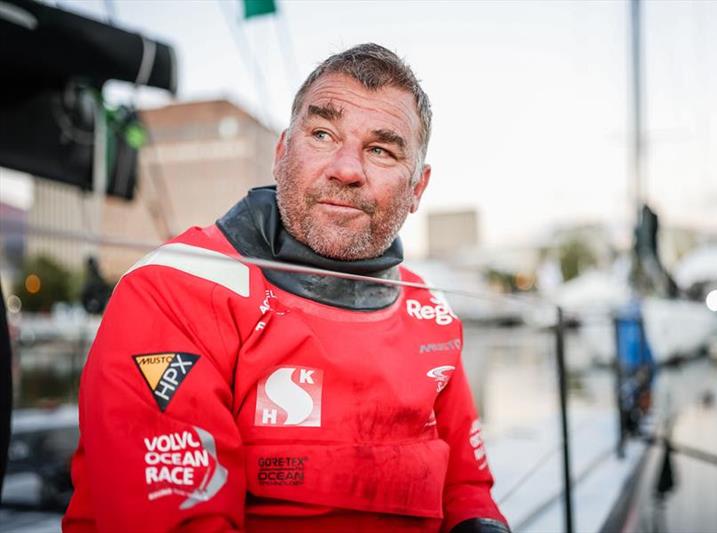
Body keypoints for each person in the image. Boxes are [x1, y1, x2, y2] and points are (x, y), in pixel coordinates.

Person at [63, 43, 509, 533]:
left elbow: (467, 490)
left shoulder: (429, 309)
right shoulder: (174, 291)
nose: (346, 169)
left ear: (417, 190)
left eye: (380, 149)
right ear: (280, 154)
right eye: (322, 133)